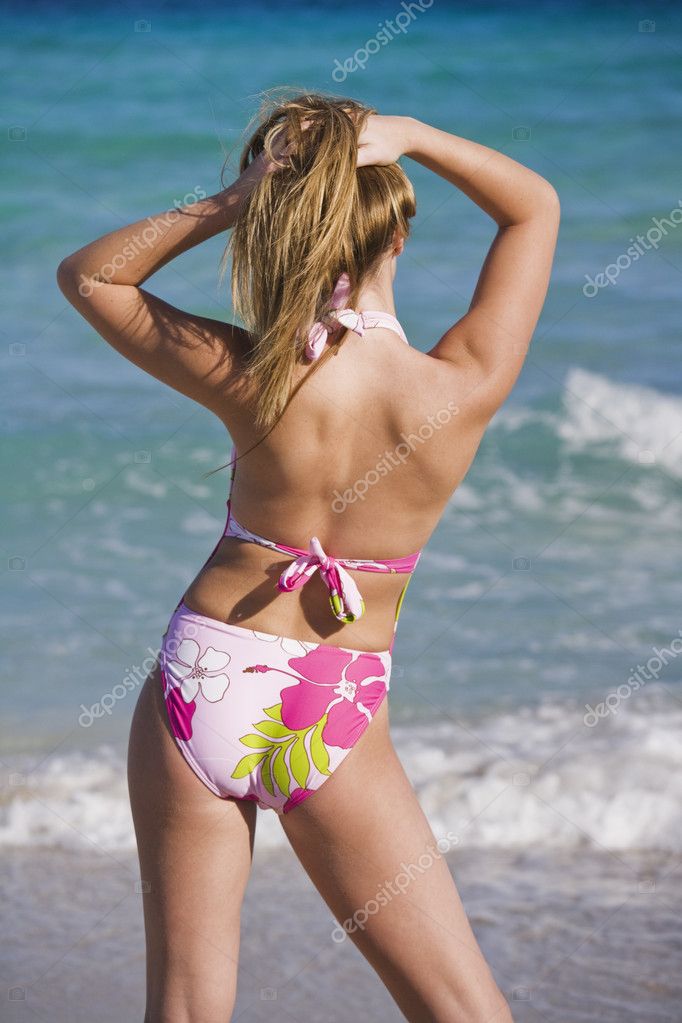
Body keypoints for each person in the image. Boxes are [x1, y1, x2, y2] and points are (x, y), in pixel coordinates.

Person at [57, 90, 559, 1023]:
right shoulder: (463, 386)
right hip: (334, 701)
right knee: (463, 1009)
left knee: (186, 1006)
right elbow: (534, 206)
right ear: (397, 238)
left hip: (199, 675)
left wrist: (238, 198)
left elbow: (92, 279)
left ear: (288, 233)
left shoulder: (254, 372)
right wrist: (416, 135)